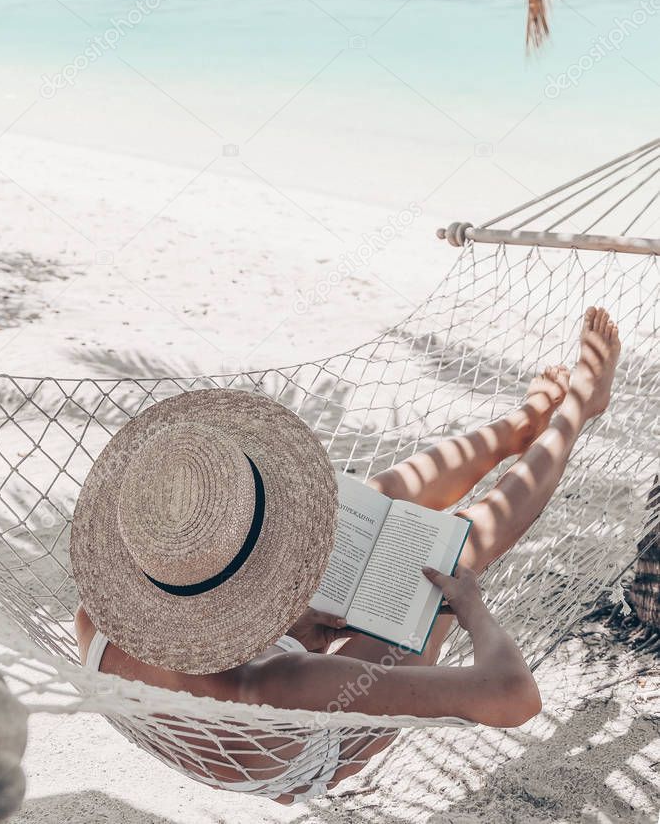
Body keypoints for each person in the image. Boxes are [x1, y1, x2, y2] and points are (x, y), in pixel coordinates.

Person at [72, 307, 621, 804]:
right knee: (447, 555)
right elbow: (512, 696)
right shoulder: (287, 683)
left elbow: (193, 651)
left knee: (364, 511)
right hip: (310, 741)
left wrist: (281, 626)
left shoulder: (99, 615)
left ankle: (521, 428)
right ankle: (575, 412)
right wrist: (472, 606)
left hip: (229, 698)